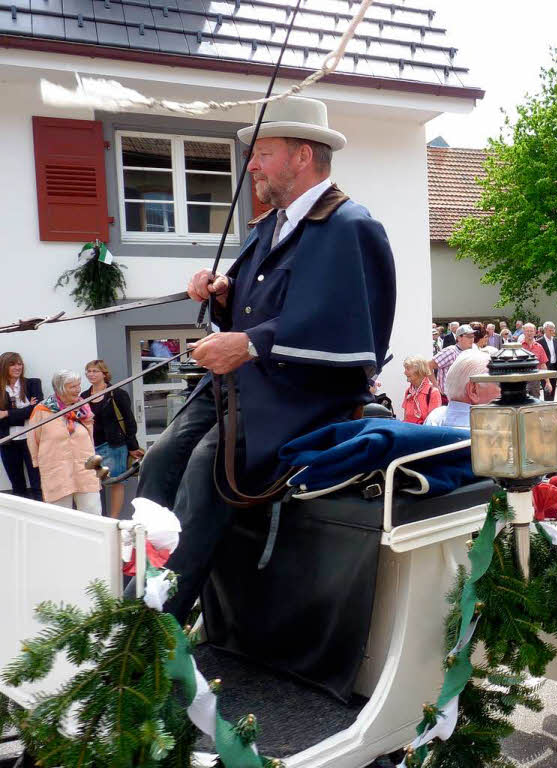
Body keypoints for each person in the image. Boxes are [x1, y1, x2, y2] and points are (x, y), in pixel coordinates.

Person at [136, 96, 396, 623]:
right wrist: (222, 293)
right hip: (243, 390)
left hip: (304, 397)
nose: (250, 164)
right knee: (161, 455)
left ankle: (159, 633)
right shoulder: (267, 227)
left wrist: (251, 344)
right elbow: (259, 303)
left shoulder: (351, 225)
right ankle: (135, 598)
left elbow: (350, 324)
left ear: (302, 156)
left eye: (263, 153)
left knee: (206, 470)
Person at [26, 370, 101, 514]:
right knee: (59, 514)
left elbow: (90, 435)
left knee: (93, 512)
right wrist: (37, 462)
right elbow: (32, 438)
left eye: (78, 385)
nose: (78, 390)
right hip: (56, 468)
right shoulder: (42, 410)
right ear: (60, 388)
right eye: (72, 387)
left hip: (84, 466)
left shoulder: (84, 407)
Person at [82, 360, 143, 518]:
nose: (91, 374)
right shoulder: (83, 397)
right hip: (91, 446)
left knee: (116, 482)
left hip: (114, 445)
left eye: (95, 371)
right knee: (93, 484)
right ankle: (96, 517)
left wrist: (132, 446)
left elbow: (129, 420)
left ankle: (113, 519)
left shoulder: (117, 393)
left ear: (104, 373)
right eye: (88, 371)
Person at [0, 352, 43, 500]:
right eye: (13, 364)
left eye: (19, 364)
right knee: (17, 486)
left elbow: (38, 410)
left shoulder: (33, 384)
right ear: (4, 366)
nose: (17, 367)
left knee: (38, 483)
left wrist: (7, 414)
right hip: (7, 441)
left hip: (31, 438)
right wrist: (25, 411)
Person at [425, 351, 500, 428]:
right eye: (499, 384)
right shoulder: (492, 427)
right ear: (474, 390)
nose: (504, 390)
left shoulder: (434, 417)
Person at [431, 324, 475, 401]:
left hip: (464, 398)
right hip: (448, 398)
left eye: (473, 336)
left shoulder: (470, 352)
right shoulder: (451, 351)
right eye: (468, 336)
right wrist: (436, 387)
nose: (472, 339)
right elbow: (428, 366)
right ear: (459, 338)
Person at [402, 355, 442, 425]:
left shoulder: (433, 392)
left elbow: (432, 423)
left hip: (423, 433)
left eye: (407, 369)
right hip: (407, 432)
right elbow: (405, 419)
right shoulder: (409, 391)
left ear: (419, 371)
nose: (405, 372)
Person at [519, 323, 553, 399]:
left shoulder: (539, 347)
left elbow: (543, 365)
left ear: (535, 332)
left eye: (531, 331)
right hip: (521, 380)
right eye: (527, 331)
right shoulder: (519, 346)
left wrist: (547, 382)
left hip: (535, 381)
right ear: (524, 332)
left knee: (535, 402)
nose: (529, 333)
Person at [538, 322, 557, 402]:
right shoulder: (539, 341)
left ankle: (551, 403)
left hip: (554, 366)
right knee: (547, 387)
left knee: (553, 387)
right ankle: (547, 405)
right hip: (545, 367)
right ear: (545, 330)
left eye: (553, 330)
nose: (552, 332)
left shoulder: (556, 340)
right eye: (550, 330)